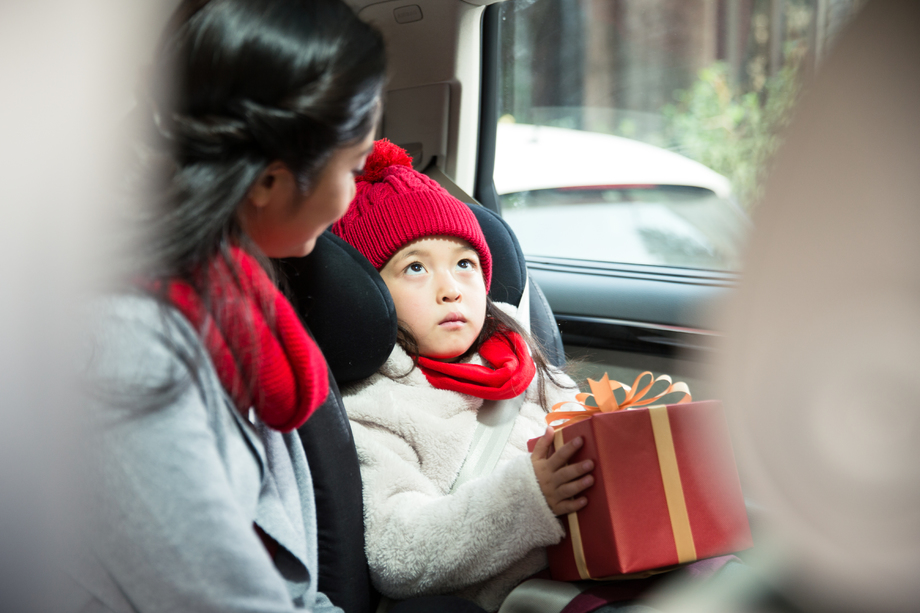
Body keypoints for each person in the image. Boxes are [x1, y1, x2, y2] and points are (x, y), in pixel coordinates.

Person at [75, 0, 385, 610]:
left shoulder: (228, 297)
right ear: (268, 181)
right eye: (353, 166)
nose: (352, 195)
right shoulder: (123, 350)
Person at [330, 140, 597, 612]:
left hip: (597, 576)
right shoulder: (374, 408)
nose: (451, 289)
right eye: (415, 267)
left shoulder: (524, 365)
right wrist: (528, 496)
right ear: (370, 296)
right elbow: (399, 555)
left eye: (465, 264)